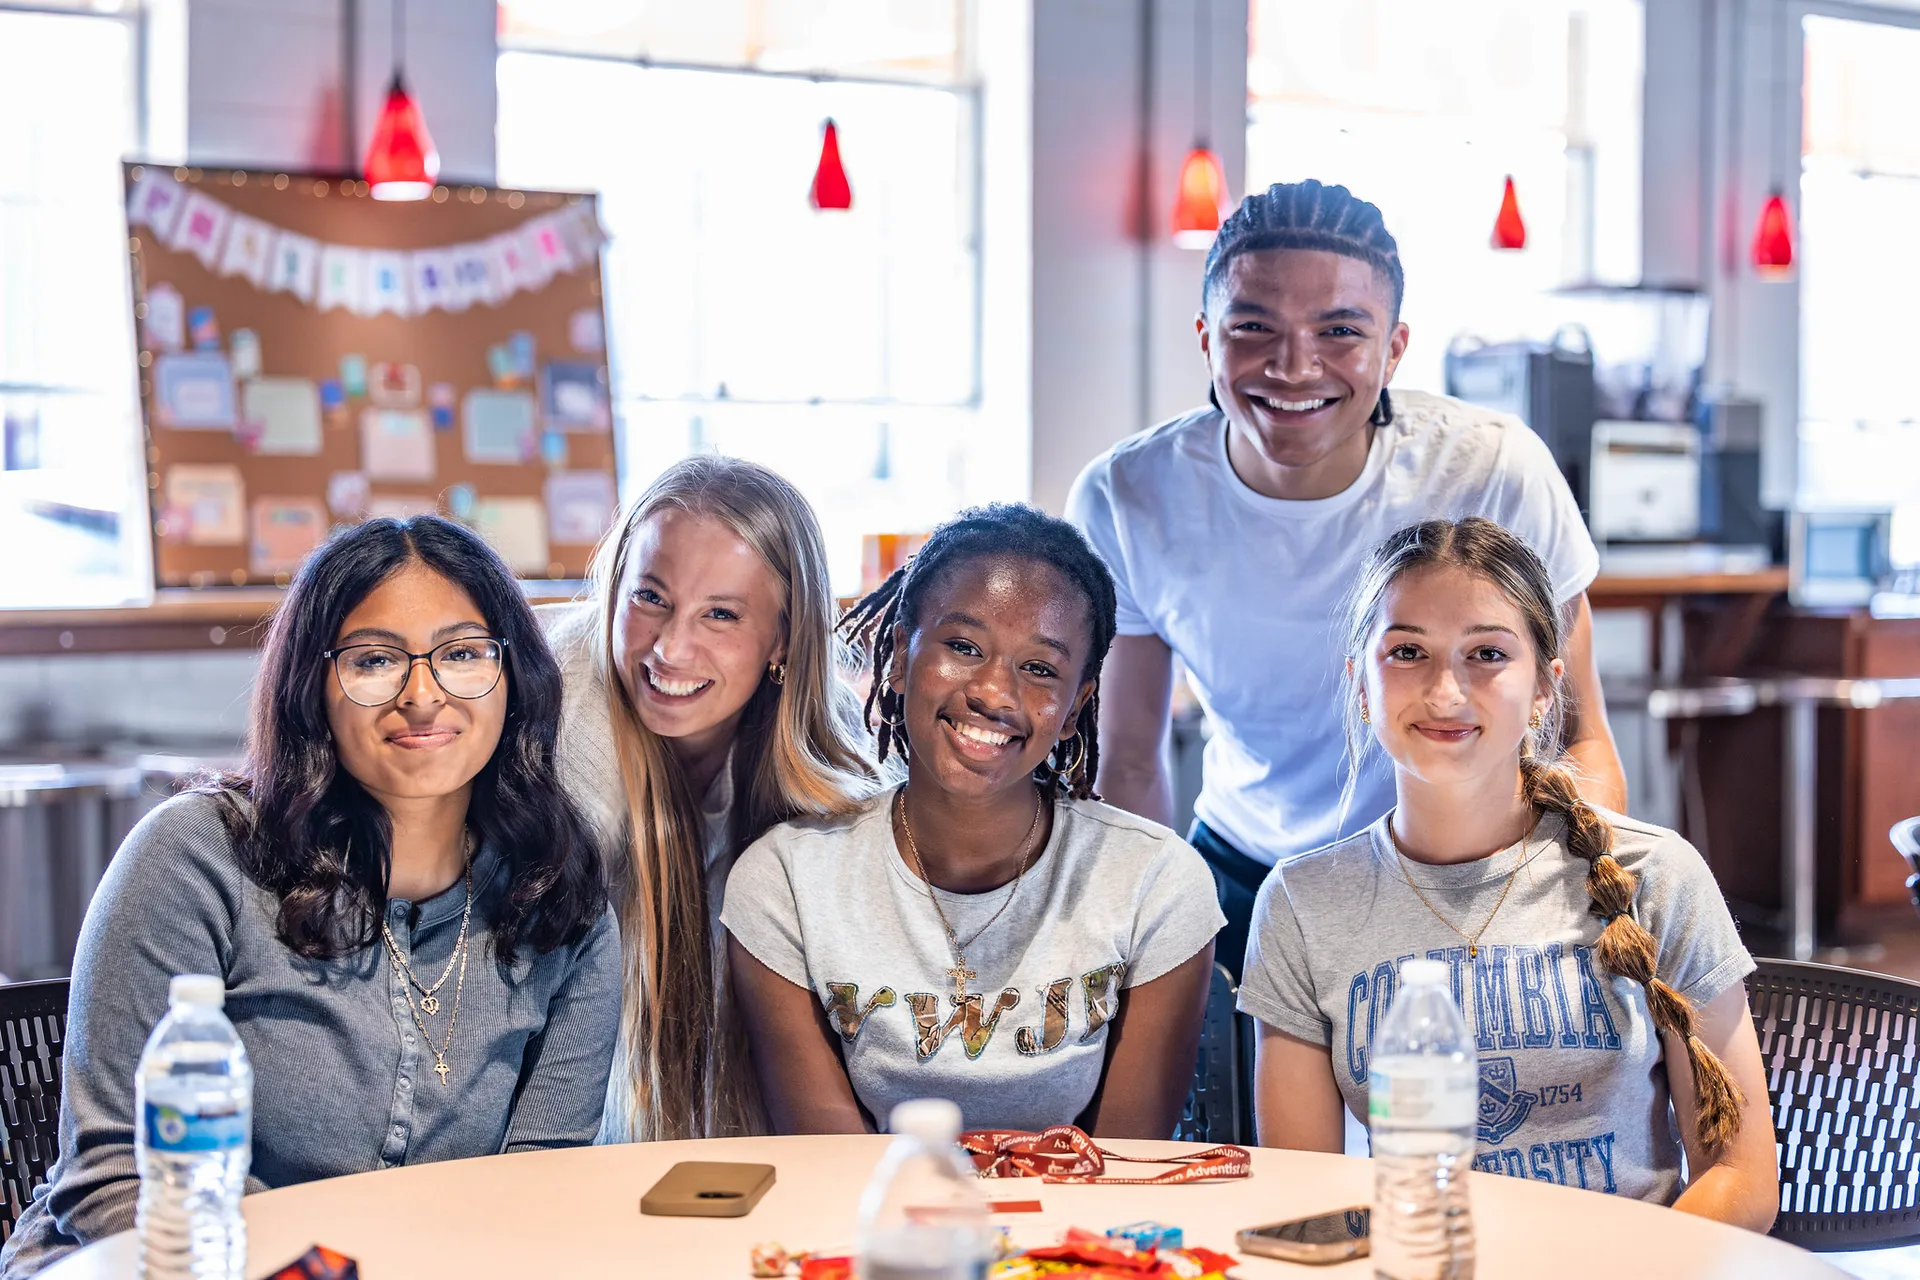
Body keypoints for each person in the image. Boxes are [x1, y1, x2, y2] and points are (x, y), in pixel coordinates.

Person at [1, 516, 619, 1278]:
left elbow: (539, 1190)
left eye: (463, 654)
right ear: (311, 688)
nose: (422, 695)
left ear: (514, 677)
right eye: (374, 660)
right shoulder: (195, 859)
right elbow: (116, 1178)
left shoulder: (561, 903)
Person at [1067, 179, 1626, 981]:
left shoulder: (1492, 468)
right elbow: (1127, 762)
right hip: (1243, 872)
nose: (1294, 366)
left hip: (1464, 869)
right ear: (1206, 338)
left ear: (1394, 349)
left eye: (1338, 331)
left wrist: (1559, 911)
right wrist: (1143, 946)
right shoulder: (1130, 495)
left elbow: (1580, 737)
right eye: (1253, 327)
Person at [1238, 517, 1776, 1228]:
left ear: (1546, 687)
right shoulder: (1302, 904)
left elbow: (1741, 1178)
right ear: (1361, 685)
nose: (1445, 693)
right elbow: (1310, 1204)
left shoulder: (1656, 874)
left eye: (1487, 653)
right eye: (1407, 652)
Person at [722, 504, 1224, 1137]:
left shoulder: (1157, 883)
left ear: (1074, 708)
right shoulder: (786, 882)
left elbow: (1121, 1164)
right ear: (898, 657)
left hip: (1084, 1205)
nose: (994, 692)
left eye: (1039, 669)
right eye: (963, 647)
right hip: (868, 1204)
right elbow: (832, 1166)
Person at [541, 455, 883, 1143]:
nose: (671, 648)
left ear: (783, 637)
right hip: (580, 1120)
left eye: (720, 614)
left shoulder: (829, 742)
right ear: (614, 587)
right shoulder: (562, 706)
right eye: (650, 597)